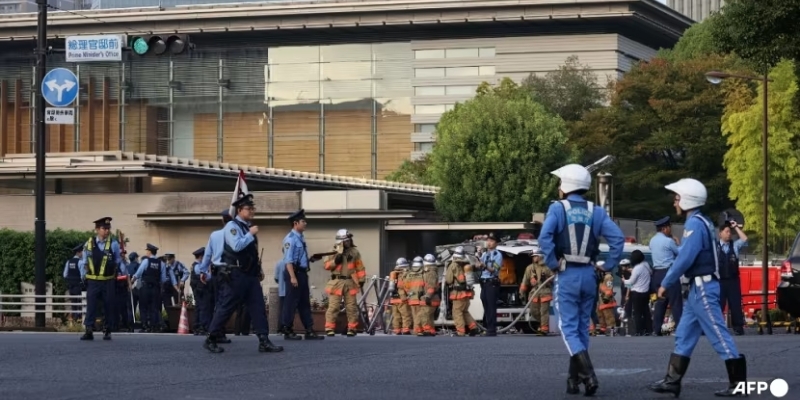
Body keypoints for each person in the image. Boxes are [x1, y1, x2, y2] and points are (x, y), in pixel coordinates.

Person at [649, 178, 747, 397]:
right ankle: (672, 381)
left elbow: (685, 258)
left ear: (686, 200)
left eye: (677, 198)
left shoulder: (694, 224)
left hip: (703, 288)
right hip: (698, 288)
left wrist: (666, 283)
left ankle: (738, 385)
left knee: (718, 334)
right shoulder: (701, 221)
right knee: (683, 334)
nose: (675, 202)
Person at [538, 164, 625, 396]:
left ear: (566, 185)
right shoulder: (596, 210)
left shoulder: (557, 208)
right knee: (581, 328)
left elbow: (544, 237)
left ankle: (589, 376)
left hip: (567, 273)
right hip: (589, 273)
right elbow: (617, 239)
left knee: (567, 329)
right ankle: (572, 380)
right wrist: (608, 266)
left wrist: (553, 263)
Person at [203, 194, 283, 353]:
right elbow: (237, 246)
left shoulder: (246, 226)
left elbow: (251, 252)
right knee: (226, 306)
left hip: (250, 275)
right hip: (235, 274)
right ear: (239, 210)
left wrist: (257, 269)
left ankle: (263, 340)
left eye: (253, 208)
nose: (252, 211)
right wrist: (250, 234)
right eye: (249, 208)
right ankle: (211, 338)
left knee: (258, 307)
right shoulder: (232, 227)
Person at [280, 209, 325, 341]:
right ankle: (287, 329)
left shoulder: (300, 238)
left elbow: (298, 257)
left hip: (302, 273)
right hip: (294, 273)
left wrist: (310, 260)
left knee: (304, 302)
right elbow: (288, 260)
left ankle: (309, 330)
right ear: (295, 223)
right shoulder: (290, 239)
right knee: (291, 302)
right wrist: (293, 277)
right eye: (303, 221)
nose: (305, 223)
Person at [80, 217, 126, 341]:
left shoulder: (113, 243)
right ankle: (89, 329)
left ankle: (107, 329)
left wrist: (124, 273)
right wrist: (83, 277)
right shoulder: (89, 243)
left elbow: (117, 260)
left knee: (109, 305)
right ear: (97, 230)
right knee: (91, 306)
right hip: (93, 281)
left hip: (108, 280)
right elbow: (84, 262)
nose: (106, 231)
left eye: (108, 228)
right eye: (104, 228)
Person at [196, 209, 235, 344]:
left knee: (219, 302)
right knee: (227, 303)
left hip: (217, 272)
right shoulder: (236, 235)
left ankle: (217, 332)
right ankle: (218, 332)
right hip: (232, 272)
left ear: (222, 220)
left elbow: (207, 255)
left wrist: (202, 271)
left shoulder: (214, 235)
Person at [322, 229, 366, 337]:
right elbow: (326, 266)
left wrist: (361, 280)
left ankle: (352, 328)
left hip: (350, 282)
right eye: (346, 240)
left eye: (349, 240)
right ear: (341, 241)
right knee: (334, 306)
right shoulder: (332, 251)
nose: (349, 242)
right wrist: (335, 260)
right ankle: (329, 328)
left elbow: (360, 267)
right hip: (336, 282)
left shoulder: (354, 252)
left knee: (351, 307)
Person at [131, 244, 177, 333]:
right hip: (156, 288)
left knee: (143, 306)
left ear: (149, 252)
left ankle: (145, 325)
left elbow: (138, 273)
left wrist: (132, 281)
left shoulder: (146, 261)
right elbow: (163, 279)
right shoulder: (161, 263)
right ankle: (153, 326)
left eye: (147, 251)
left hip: (145, 287)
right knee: (154, 307)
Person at [649, 216, 682, 335]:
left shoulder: (652, 241)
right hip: (669, 272)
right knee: (676, 302)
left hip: (657, 273)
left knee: (660, 302)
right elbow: (679, 253)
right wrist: (678, 243)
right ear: (664, 229)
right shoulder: (669, 241)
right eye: (669, 227)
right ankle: (680, 328)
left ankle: (656, 329)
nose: (670, 229)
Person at [718, 220, 748, 336]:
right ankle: (716, 328)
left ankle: (738, 327)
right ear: (720, 233)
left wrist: (736, 227)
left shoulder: (734, 245)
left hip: (733, 280)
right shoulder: (715, 247)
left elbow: (744, 239)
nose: (729, 234)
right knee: (718, 305)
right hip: (720, 281)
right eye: (726, 232)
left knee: (735, 304)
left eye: (730, 232)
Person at [444, 247, 479, 336]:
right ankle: (473, 328)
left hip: (459, 293)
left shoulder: (453, 265)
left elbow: (448, 279)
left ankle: (460, 331)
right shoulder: (467, 264)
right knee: (464, 311)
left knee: (457, 312)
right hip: (467, 292)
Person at [519, 249, 553, 335]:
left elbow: (555, 278)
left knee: (544, 311)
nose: (533, 258)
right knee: (534, 312)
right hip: (534, 292)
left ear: (540, 256)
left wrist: (548, 280)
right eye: (533, 256)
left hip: (545, 291)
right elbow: (525, 281)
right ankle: (542, 324)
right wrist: (521, 292)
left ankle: (544, 329)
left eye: (535, 256)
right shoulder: (530, 268)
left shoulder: (548, 267)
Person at [623, 252, 653, 336]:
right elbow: (648, 273)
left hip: (637, 293)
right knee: (646, 311)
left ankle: (639, 330)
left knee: (637, 313)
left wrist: (624, 281)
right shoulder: (646, 265)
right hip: (646, 292)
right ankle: (649, 329)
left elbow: (631, 282)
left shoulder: (636, 268)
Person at [478, 232, 502, 336]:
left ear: (496, 243)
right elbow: (480, 265)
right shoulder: (484, 254)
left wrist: (484, 266)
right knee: (485, 303)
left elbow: (494, 270)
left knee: (491, 306)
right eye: (488, 240)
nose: (489, 243)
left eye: (492, 241)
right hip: (483, 282)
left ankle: (492, 329)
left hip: (492, 282)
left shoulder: (498, 255)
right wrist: (477, 261)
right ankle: (487, 327)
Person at [190, 247, 214, 335]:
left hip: (198, 290)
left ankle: (197, 326)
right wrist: (210, 272)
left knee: (199, 307)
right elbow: (206, 277)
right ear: (201, 256)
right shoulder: (198, 266)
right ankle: (202, 326)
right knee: (204, 308)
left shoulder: (195, 265)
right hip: (201, 290)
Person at [63, 244, 86, 325]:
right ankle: (78, 319)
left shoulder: (69, 262)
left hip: (70, 286)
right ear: (79, 252)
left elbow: (65, 275)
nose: (83, 254)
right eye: (82, 252)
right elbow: (83, 275)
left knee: (73, 303)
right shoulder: (80, 262)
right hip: (78, 286)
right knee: (79, 303)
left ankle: (74, 319)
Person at [389, 257, 412, 335]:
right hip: (401, 298)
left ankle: (397, 330)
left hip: (393, 299)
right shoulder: (404, 274)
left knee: (396, 316)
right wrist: (409, 294)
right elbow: (404, 286)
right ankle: (406, 330)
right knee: (406, 315)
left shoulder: (394, 274)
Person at [422, 254, 441, 337]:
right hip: (433, 297)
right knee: (430, 316)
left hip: (432, 297)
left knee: (425, 314)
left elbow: (431, 286)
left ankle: (427, 330)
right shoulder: (430, 271)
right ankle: (431, 330)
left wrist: (428, 296)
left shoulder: (431, 272)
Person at [273, 258, 287, 334]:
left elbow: (276, 278)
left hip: (282, 290)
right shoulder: (293, 262)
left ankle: (280, 329)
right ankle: (287, 327)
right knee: (289, 310)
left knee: (281, 310)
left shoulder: (279, 263)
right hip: (290, 291)